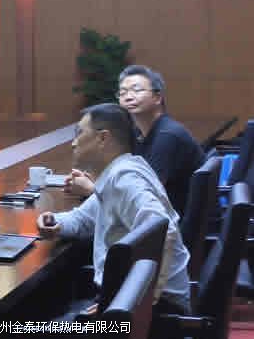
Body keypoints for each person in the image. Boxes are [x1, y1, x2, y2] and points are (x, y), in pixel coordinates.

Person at [38, 103, 191, 315]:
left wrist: (134, 303)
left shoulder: (125, 179)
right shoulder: (117, 174)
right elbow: (82, 219)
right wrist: (55, 221)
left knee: (10, 327)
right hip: (132, 301)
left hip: (156, 311)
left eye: (79, 133)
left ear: (103, 138)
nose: (73, 143)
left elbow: (164, 231)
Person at [65, 65, 204, 218]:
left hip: (171, 223)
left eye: (136, 90)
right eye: (123, 92)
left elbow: (147, 197)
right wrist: (97, 180)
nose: (128, 97)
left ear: (157, 97)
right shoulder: (138, 133)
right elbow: (129, 181)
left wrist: (92, 189)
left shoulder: (168, 136)